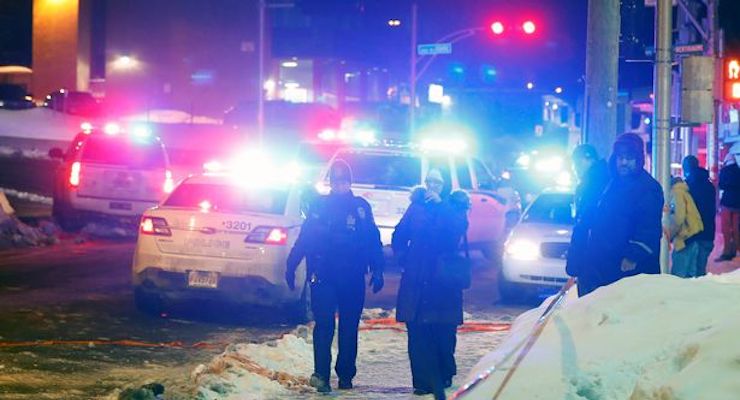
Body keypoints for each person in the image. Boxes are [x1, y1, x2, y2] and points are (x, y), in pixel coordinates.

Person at [285, 160, 385, 393]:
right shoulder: (319, 206)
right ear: (330, 182)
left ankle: (346, 374)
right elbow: (305, 238)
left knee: (349, 328)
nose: (339, 185)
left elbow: (372, 239)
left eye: (343, 181)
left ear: (349, 182)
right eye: (336, 181)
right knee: (324, 325)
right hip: (324, 275)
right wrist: (292, 264)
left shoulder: (360, 208)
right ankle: (321, 373)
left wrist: (378, 268)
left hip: (352, 277)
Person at [392, 169, 470, 400]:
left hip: (443, 280)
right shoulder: (416, 207)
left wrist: (442, 206)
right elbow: (399, 234)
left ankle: (445, 373)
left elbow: (457, 230)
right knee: (417, 331)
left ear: (445, 185)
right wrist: (404, 257)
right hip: (417, 278)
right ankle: (421, 380)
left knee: (444, 331)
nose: (432, 186)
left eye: (437, 182)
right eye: (429, 181)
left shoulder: (455, 207)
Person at [573, 133, 663, 296]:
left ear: (638, 159)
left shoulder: (647, 188)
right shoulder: (609, 183)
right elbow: (589, 219)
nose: (623, 162)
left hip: (625, 270)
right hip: (600, 266)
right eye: (620, 157)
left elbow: (649, 227)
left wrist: (632, 255)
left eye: (629, 158)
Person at [565, 144, 610, 296]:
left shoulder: (592, 184)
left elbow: (583, 224)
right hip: (599, 255)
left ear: (586, 160)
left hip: (592, 256)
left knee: (590, 304)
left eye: (576, 163)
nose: (575, 169)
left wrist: (574, 260)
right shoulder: (603, 179)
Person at [682, 155, 716, 275]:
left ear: (685, 168)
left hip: (691, 235)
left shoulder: (686, 187)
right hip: (708, 234)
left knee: (687, 274)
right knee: (700, 272)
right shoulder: (710, 185)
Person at [664, 176, 704, 277]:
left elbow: (678, 217)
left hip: (684, 239)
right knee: (691, 276)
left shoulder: (676, 193)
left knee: (678, 277)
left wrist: (669, 235)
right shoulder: (684, 191)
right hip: (693, 237)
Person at [716, 146, 740, 262]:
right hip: (738, 204)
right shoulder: (739, 170)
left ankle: (727, 251)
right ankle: (735, 249)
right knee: (736, 228)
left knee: (726, 228)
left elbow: (721, 186)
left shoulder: (724, 171)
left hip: (727, 203)